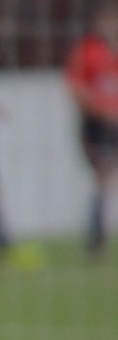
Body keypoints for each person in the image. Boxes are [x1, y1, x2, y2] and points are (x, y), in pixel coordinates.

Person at [73, 0, 118, 259]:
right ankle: (96, 235)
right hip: (97, 126)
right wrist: (101, 110)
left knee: (105, 178)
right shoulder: (89, 50)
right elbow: (76, 87)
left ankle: (97, 235)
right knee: (103, 176)